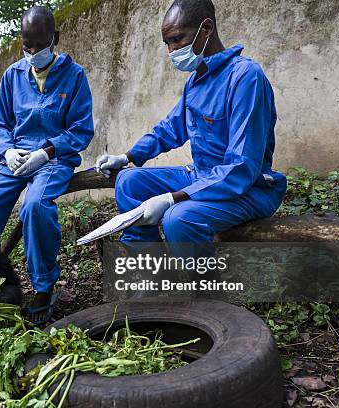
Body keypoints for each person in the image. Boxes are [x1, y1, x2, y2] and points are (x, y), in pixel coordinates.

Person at [95, 0, 286, 257]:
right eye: (167, 44)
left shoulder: (245, 77)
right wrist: (127, 156)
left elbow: (241, 168)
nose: (172, 51)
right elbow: (170, 129)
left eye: (176, 39)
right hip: (203, 176)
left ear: (206, 29)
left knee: (178, 218)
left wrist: (173, 197)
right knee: (129, 181)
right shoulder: (195, 81)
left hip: (249, 188)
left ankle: (202, 289)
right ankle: (151, 268)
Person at [0, 6, 94, 324]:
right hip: (13, 158)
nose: (33, 51)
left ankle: (43, 288)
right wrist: (6, 150)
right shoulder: (12, 76)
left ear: (55, 38)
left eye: (40, 44)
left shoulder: (75, 76)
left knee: (36, 206)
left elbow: (81, 129)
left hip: (52, 159)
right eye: (27, 45)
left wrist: (47, 152)